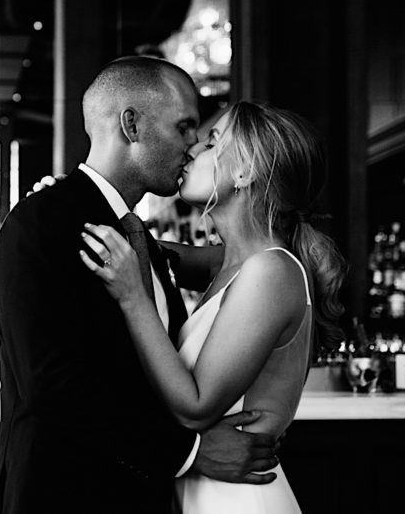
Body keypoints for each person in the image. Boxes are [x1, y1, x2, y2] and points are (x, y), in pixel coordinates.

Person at [0, 57, 281, 514]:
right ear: (132, 125)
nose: (193, 144)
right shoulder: (41, 223)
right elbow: (53, 388)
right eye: (184, 126)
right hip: (63, 498)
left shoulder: (135, 236)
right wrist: (189, 453)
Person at [79, 101, 346, 512]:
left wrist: (134, 297)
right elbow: (142, 247)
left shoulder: (271, 272)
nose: (192, 151)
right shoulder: (233, 264)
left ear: (244, 172)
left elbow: (196, 406)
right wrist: (73, 210)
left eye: (211, 143)